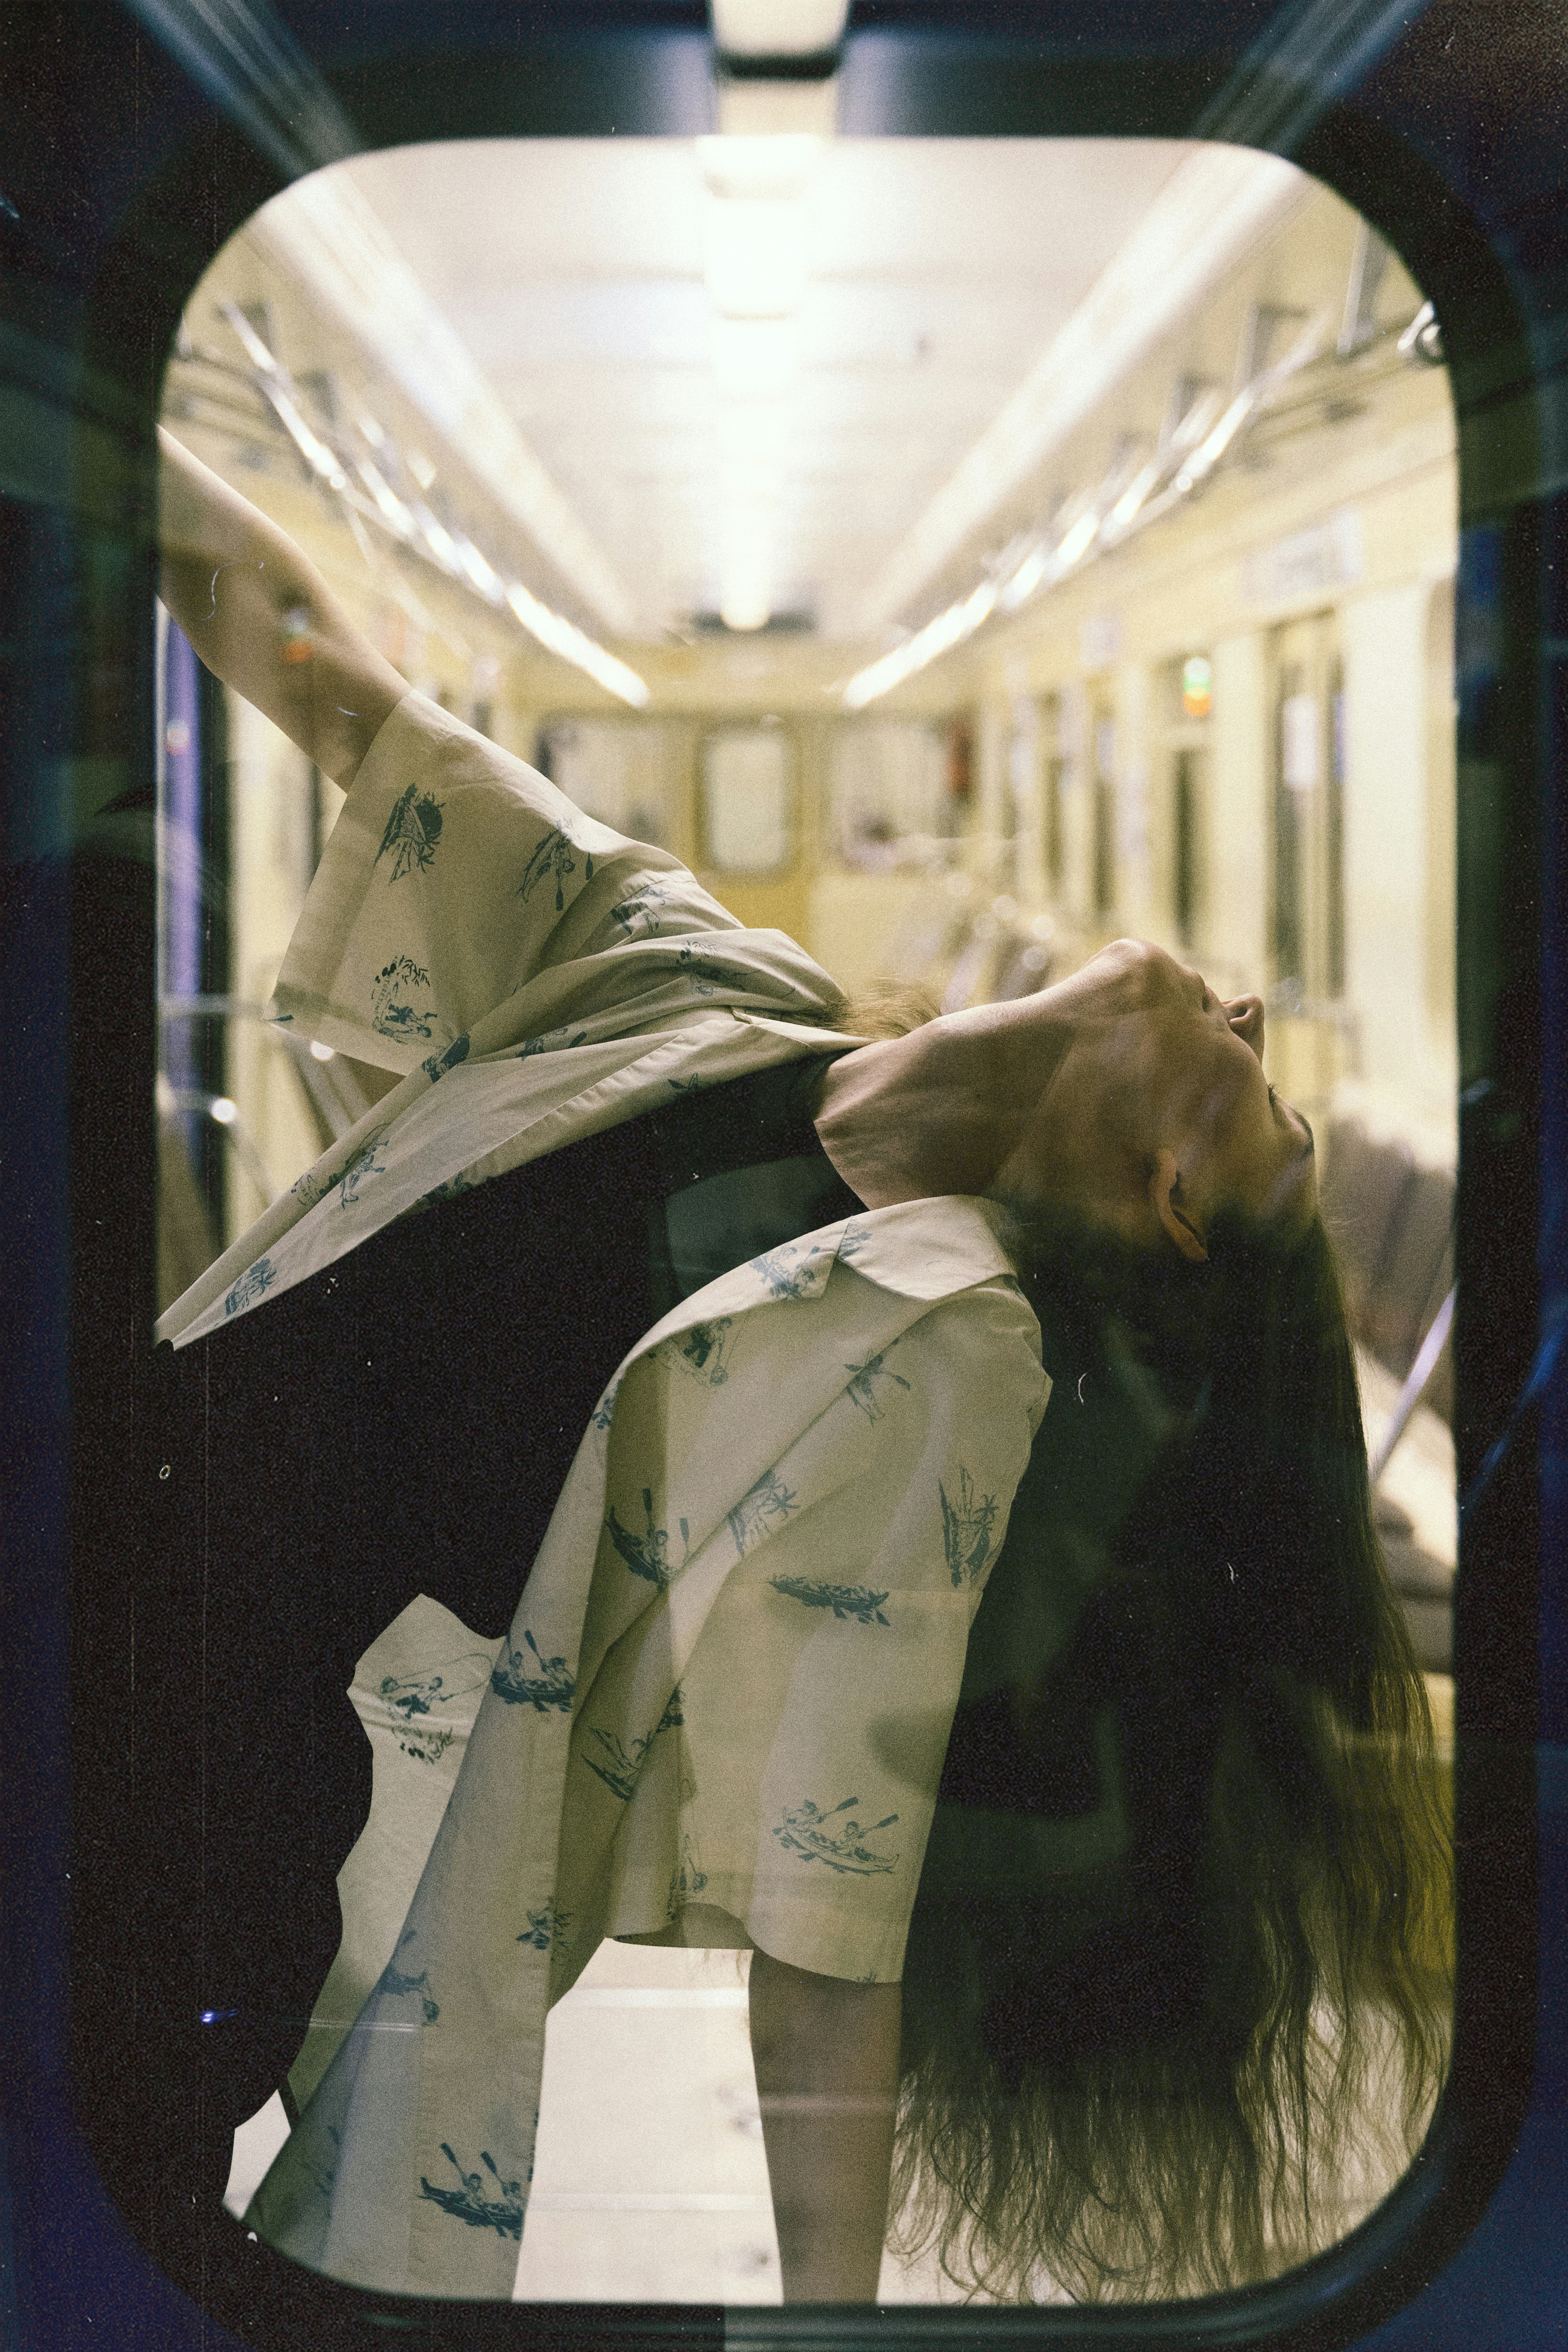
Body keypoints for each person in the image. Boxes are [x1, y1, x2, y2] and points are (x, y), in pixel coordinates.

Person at [133, 429, 1448, 2304]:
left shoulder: (943, 1360)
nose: (1248, 1012)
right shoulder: (700, 985)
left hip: (209, 1794)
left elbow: (838, 1922)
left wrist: (831, 2330)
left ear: (1167, 1203)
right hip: (106, 1534)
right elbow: (333, 680)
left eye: (1274, 1116)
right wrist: (123, 433)